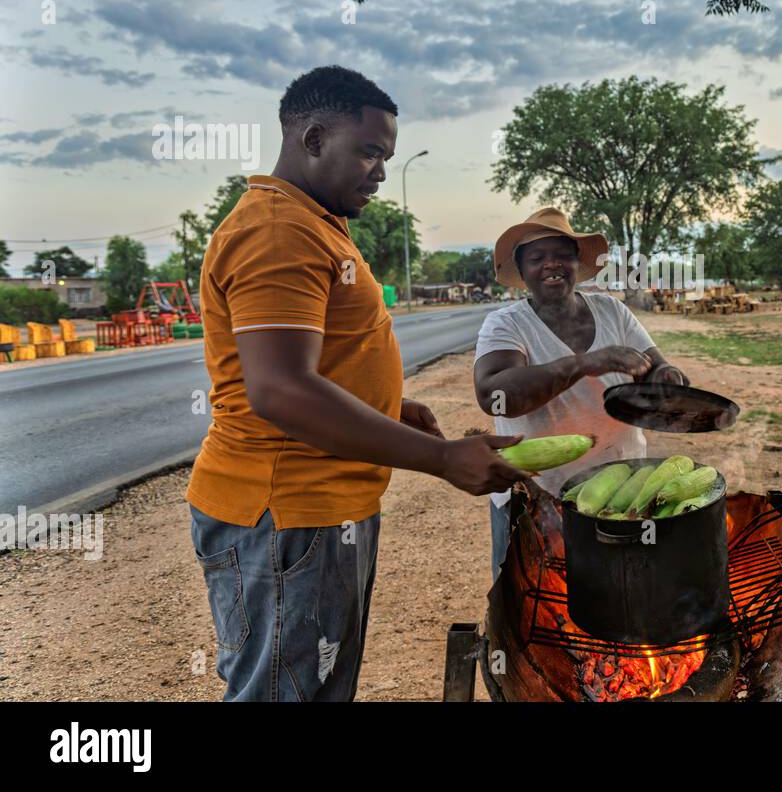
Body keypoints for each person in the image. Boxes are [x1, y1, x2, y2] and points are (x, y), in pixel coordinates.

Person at [186, 65, 529, 701]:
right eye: (369, 152)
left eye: (386, 157)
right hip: (286, 512)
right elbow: (281, 392)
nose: (378, 172)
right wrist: (440, 457)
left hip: (319, 508)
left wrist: (384, 404)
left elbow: (314, 364)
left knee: (314, 689)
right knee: (286, 693)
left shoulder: (311, 222)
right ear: (313, 138)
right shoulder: (277, 230)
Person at [473, 208, 689, 581]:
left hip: (621, 482)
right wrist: (584, 364)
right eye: (537, 258)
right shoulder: (507, 324)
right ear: (522, 272)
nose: (551, 265)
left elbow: (654, 367)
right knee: (540, 598)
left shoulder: (611, 310)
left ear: (577, 262)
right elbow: (495, 394)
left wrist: (667, 377)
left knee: (622, 588)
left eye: (562, 255)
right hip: (539, 493)